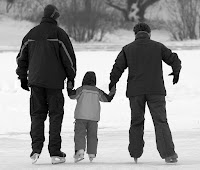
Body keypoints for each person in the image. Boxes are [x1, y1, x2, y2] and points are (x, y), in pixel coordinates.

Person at [109, 23, 181, 163]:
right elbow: (174, 59)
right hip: (156, 90)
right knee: (160, 121)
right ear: (149, 33)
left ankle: (135, 153)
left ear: (135, 33)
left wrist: (112, 83)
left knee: (136, 121)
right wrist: (176, 71)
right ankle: (169, 154)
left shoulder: (127, 49)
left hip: (135, 92)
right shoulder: (158, 46)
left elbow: (117, 67)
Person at [16, 4, 76, 164]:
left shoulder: (31, 33)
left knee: (37, 115)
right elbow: (69, 60)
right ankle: (55, 152)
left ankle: (36, 149)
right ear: (55, 16)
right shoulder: (59, 34)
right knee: (55, 116)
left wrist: (23, 77)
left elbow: (21, 58)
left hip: (35, 82)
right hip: (55, 84)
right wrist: (71, 78)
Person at [67, 71, 116, 163]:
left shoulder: (81, 89)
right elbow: (108, 98)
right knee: (92, 135)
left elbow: (72, 95)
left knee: (80, 134)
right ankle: (92, 153)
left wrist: (69, 85)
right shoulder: (97, 91)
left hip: (81, 116)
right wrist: (113, 89)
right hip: (94, 118)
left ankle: (80, 151)